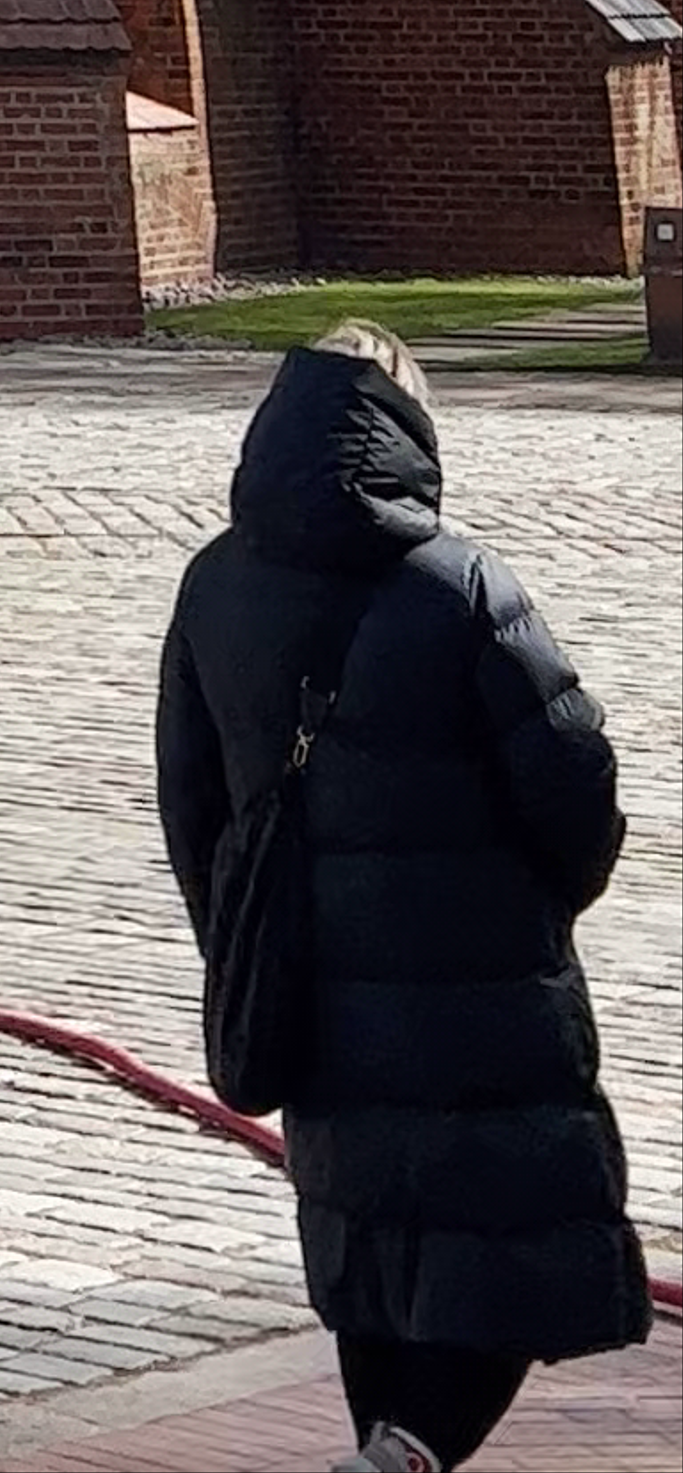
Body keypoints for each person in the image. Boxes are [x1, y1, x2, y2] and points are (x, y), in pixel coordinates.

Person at [157, 321, 650, 1467]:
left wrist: (243, 941)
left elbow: (191, 800)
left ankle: (387, 1444)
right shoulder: (461, 583)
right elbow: (572, 773)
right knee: (517, 1255)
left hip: (314, 985)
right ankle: (407, 1450)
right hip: (477, 984)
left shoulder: (213, 582)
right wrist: (550, 899)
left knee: (369, 1247)